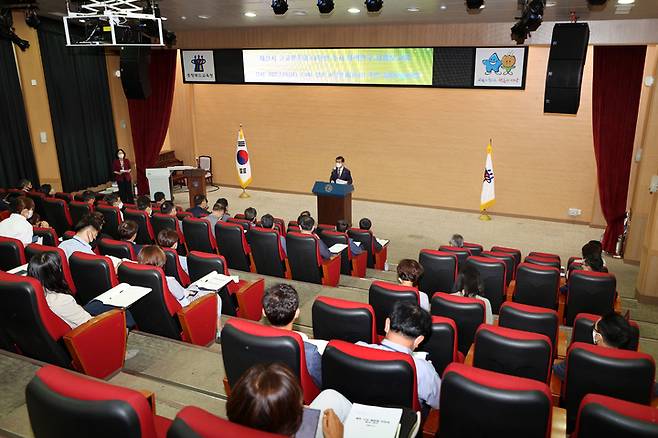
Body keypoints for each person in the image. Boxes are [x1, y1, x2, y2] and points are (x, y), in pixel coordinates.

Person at [356, 301, 441, 411]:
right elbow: (441, 403)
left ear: (387, 325)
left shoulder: (358, 348)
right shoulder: (424, 370)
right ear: (419, 340)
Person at [27, 251, 136, 329]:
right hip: (87, 330)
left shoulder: (31, 295)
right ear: (54, 274)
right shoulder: (62, 300)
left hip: (73, 314)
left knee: (99, 303)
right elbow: (89, 323)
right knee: (125, 312)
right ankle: (119, 345)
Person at [137, 245, 222, 333]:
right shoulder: (170, 281)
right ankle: (219, 330)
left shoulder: (136, 278)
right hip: (183, 312)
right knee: (215, 296)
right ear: (162, 263)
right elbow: (184, 300)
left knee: (195, 284)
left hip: (156, 318)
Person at [261, 284, 322, 388]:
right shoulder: (310, 353)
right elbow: (319, 384)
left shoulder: (247, 340)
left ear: (264, 312)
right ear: (297, 313)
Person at [553, 311, 639, 380]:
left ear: (598, 337)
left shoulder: (579, 356)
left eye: (595, 328)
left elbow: (557, 371)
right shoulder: (637, 367)